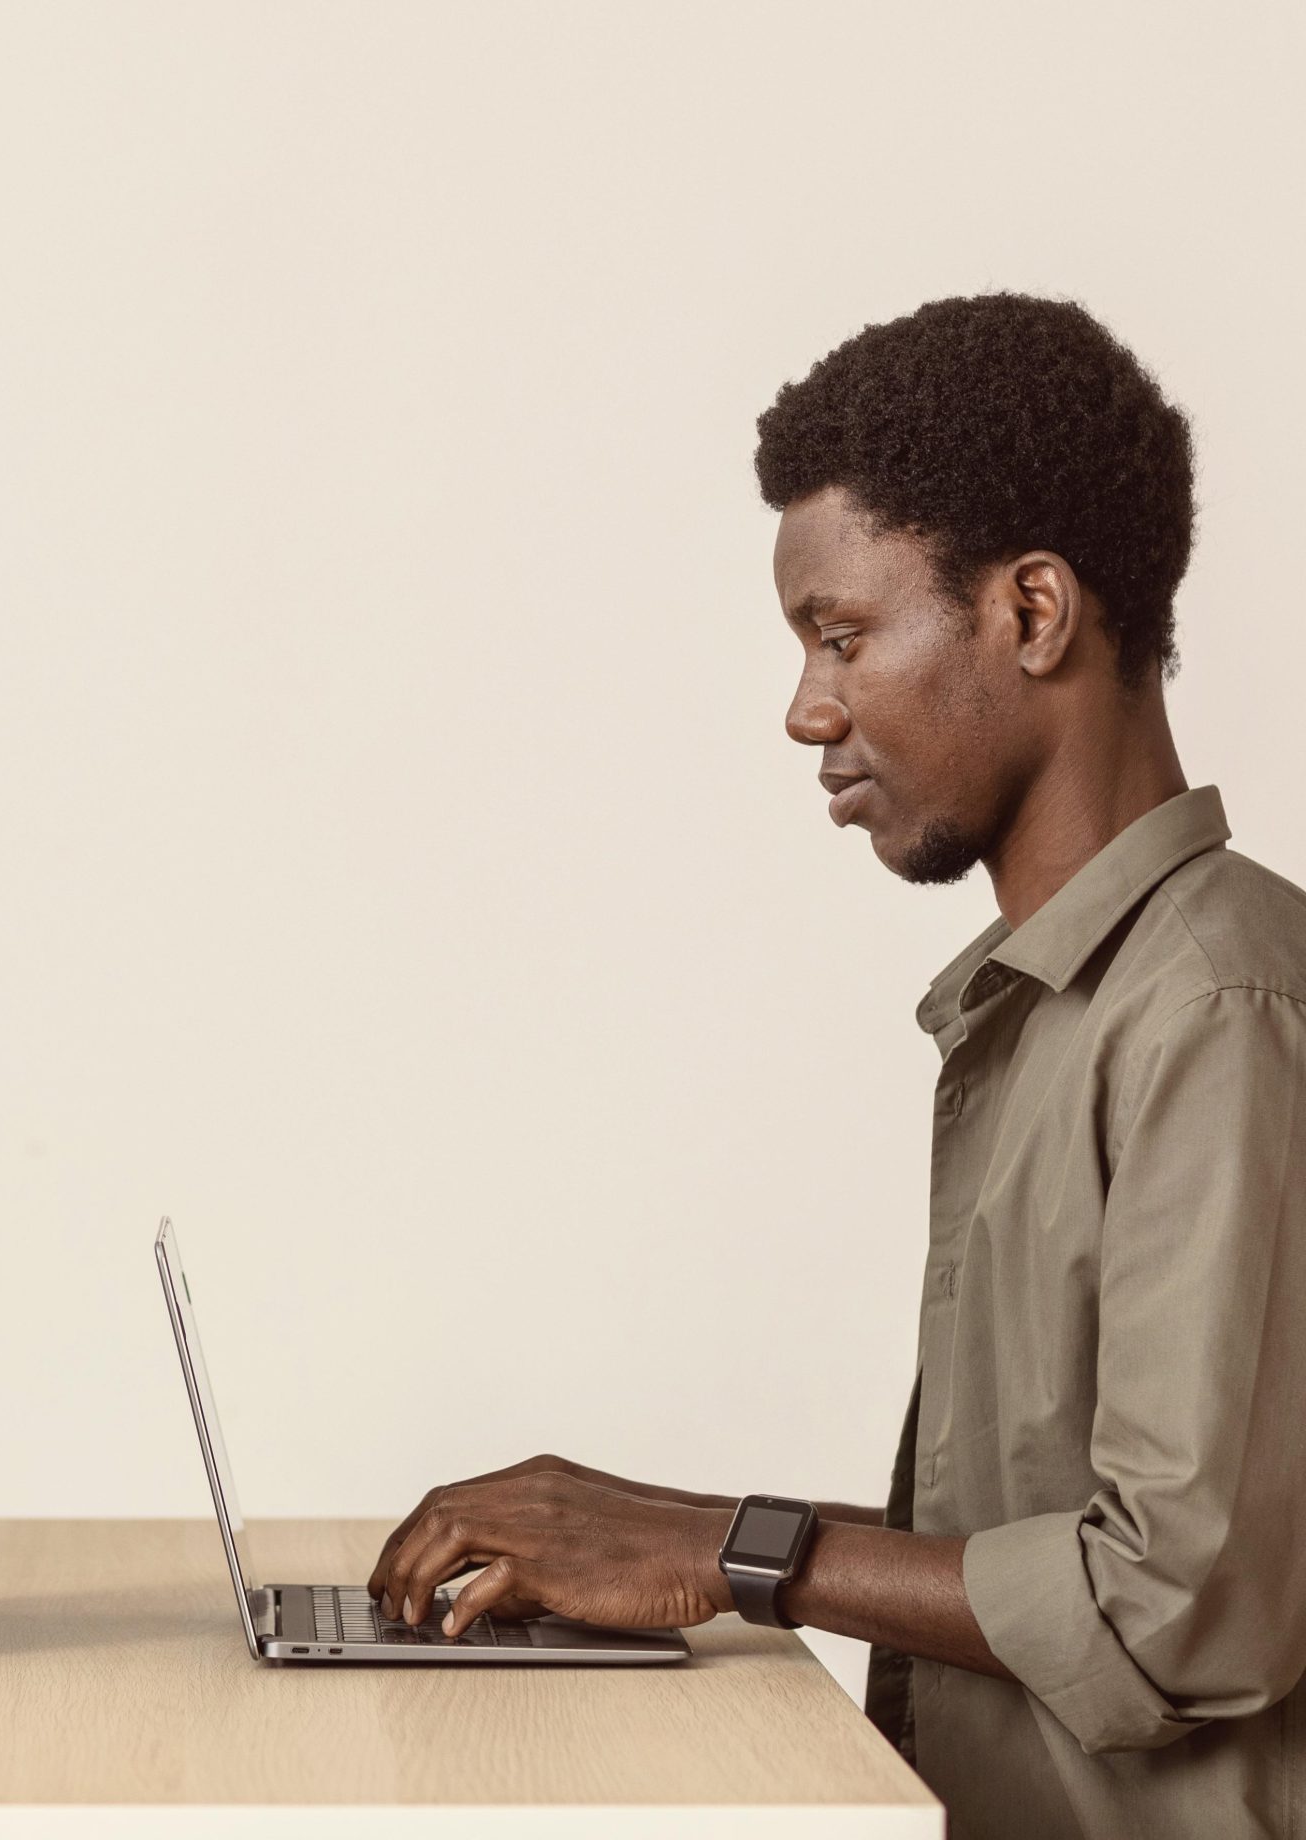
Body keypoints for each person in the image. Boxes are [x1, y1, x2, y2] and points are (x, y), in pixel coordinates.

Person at [366, 294, 1306, 1839]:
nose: (809, 708)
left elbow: (1174, 1608)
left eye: (843, 636)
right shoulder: (1058, 1010)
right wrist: (658, 1538)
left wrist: (727, 1550)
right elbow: (1044, 1556)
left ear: (1033, 613)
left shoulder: (1219, 1008)